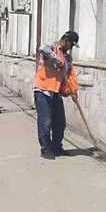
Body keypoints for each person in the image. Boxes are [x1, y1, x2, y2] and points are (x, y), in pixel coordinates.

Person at [34, 30, 80, 159]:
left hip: (56, 91)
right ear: (66, 41)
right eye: (71, 45)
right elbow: (42, 48)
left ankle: (57, 147)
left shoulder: (68, 58)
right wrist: (56, 59)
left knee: (60, 122)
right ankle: (45, 149)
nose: (71, 48)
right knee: (45, 121)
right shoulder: (52, 47)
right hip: (43, 90)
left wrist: (73, 91)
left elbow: (70, 75)